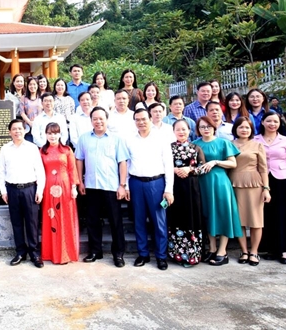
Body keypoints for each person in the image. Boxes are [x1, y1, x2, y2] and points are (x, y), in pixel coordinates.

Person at [75, 107, 129, 267]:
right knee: (92, 220)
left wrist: (122, 185)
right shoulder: (84, 138)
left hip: (112, 186)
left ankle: (118, 254)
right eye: (95, 119)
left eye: (101, 118)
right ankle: (95, 251)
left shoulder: (116, 139)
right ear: (91, 120)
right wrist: (80, 182)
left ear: (106, 119)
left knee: (116, 221)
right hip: (91, 186)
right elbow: (79, 160)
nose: (98, 121)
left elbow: (123, 162)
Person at [125, 109, 174, 270]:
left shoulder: (160, 138)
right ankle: (143, 254)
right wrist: (125, 185)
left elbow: (168, 164)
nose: (141, 122)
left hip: (156, 183)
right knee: (139, 220)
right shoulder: (130, 139)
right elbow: (126, 163)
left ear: (150, 119)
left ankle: (161, 256)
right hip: (136, 183)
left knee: (159, 221)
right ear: (134, 122)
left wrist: (169, 189)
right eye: (137, 119)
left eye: (144, 119)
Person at [193, 116, 242, 266]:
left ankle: (222, 251)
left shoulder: (223, 143)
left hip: (219, 182)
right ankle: (212, 248)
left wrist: (215, 162)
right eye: (202, 127)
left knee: (222, 213)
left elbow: (233, 163)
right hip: (202, 183)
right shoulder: (194, 144)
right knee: (208, 214)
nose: (205, 129)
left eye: (208, 126)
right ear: (198, 129)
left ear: (214, 127)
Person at [0, 119, 45, 268]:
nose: (17, 131)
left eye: (20, 128)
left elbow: (40, 170)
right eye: (14, 129)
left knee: (32, 223)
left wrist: (40, 190)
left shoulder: (32, 148)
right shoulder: (5, 149)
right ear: (9, 132)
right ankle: (20, 252)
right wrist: (3, 191)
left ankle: (34, 253)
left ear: (25, 131)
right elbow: (1, 171)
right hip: (12, 190)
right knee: (16, 223)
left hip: (30, 189)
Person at [256, 111, 286, 264]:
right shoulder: (255, 140)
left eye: (275, 121)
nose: (272, 124)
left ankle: (283, 250)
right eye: (269, 121)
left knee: (283, 215)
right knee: (267, 215)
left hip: (282, 180)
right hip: (262, 181)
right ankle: (270, 248)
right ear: (262, 122)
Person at [231, 117, 270, 267]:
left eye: (247, 127)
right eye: (241, 127)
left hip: (254, 183)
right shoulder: (230, 144)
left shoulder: (257, 145)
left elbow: (263, 168)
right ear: (236, 129)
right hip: (234, 183)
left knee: (256, 220)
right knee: (239, 220)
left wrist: (266, 188)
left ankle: (254, 251)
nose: (244, 130)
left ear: (251, 129)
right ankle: (244, 251)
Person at [167, 119, 206, 267]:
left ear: (189, 130)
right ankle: (176, 254)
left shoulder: (196, 148)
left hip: (192, 188)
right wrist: (174, 170)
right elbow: (161, 165)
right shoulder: (168, 148)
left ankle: (192, 255)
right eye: (178, 129)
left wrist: (189, 169)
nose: (181, 132)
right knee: (176, 218)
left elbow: (203, 167)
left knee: (192, 217)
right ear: (173, 131)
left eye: (184, 129)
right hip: (174, 187)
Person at [39, 122, 79, 264]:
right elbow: (39, 171)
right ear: (46, 134)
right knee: (51, 217)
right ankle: (51, 253)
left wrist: (74, 187)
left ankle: (66, 253)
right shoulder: (42, 151)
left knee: (65, 218)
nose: (52, 136)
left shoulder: (67, 150)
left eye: (55, 133)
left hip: (65, 187)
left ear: (60, 134)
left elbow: (72, 169)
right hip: (48, 188)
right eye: (49, 133)